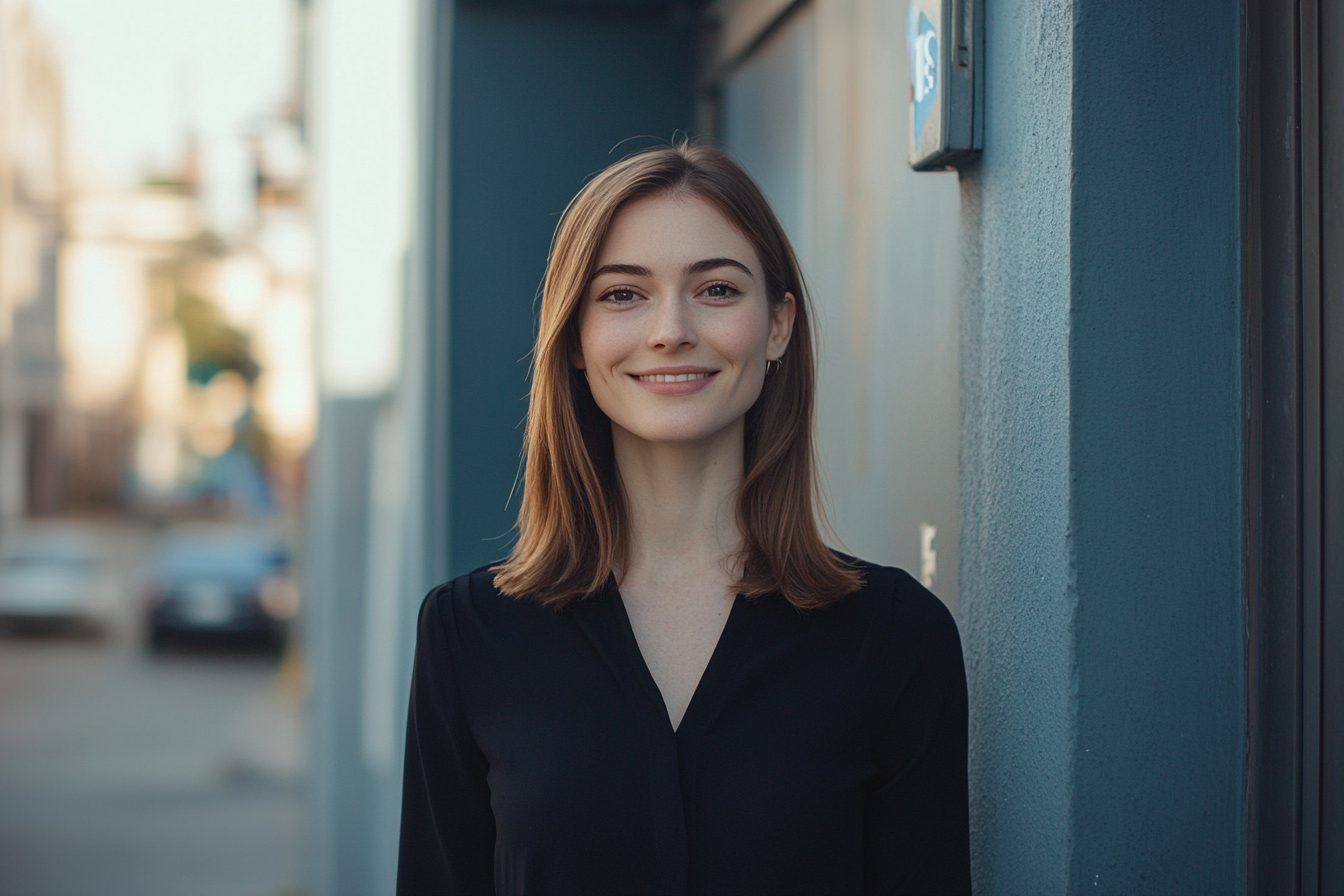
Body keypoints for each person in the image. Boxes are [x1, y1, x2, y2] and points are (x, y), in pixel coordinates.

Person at [396, 142, 970, 895]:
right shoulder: (467, 636)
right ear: (574, 338)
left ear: (777, 326)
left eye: (718, 290)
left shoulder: (897, 639)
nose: (671, 330)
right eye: (623, 295)